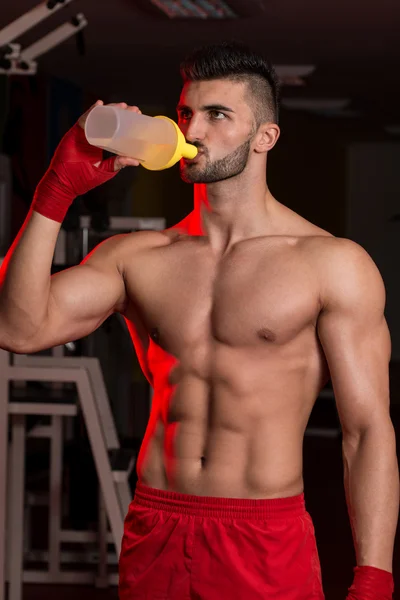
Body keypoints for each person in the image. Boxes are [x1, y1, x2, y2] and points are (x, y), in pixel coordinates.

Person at [0, 41, 398, 600]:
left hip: (264, 534)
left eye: (218, 115)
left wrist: (373, 578)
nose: (193, 129)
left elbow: (366, 430)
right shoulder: (136, 258)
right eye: (187, 112)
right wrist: (56, 189)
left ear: (265, 137)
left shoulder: (331, 264)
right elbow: (18, 328)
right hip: (156, 524)